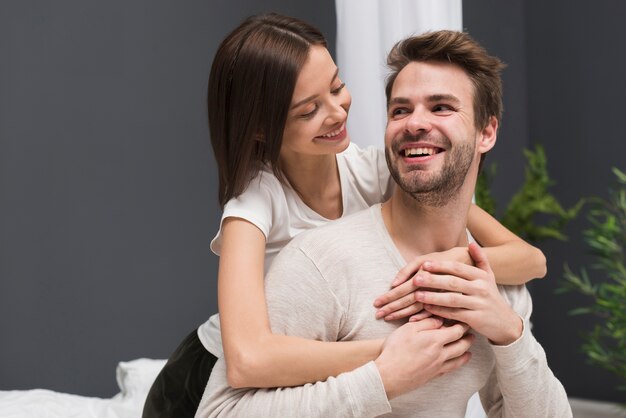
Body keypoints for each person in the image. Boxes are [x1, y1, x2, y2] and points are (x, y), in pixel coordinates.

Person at [143, 14, 547, 417]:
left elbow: (531, 260)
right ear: (263, 130)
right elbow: (248, 359)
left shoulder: (380, 169)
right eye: (308, 111)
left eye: (337, 86)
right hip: (204, 376)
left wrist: (449, 265)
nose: (337, 112)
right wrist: (390, 356)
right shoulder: (254, 205)